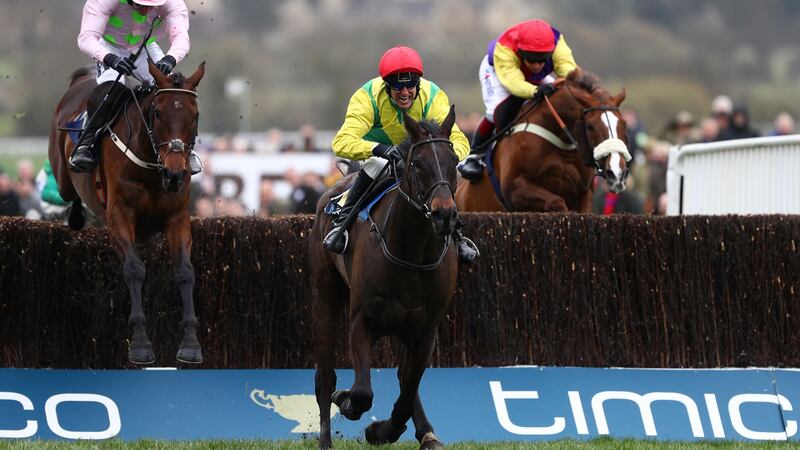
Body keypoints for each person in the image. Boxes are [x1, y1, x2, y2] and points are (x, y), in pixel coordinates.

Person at [323, 45, 478, 262]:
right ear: (386, 85)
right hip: (379, 153)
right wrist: (380, 149)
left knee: (439, 175)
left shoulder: (432, 95)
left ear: (418, 83)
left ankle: (457, 235)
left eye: (410, 86)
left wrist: (447, 156)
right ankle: (342, 222)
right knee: (375, 165)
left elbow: (458, 139)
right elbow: (341, 143)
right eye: (398, 87)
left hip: (418, 154)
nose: (405, 93)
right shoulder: (367, 97)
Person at [70, 0, 203, 175]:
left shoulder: (172, 3)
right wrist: (110, 58)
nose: (146, 10)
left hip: (144, 46)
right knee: (109, 93)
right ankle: (85, 145)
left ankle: (188, 149)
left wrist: (170, 59)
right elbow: (86, 39)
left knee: (173, 95)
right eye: (140, 4)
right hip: (110, 46)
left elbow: (181, 38)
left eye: (151, 5)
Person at [458, 19, 578, 181]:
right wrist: (535, 90)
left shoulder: (558, 43)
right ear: (521, 52)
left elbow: (570, 73)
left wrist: (576, 86)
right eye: (531, 59)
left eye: (542, 59)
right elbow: (514, 84)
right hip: (497, 72)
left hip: (527, 76)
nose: (536, 65)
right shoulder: (505, 49)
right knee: (495, 113)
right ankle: (474, 155)